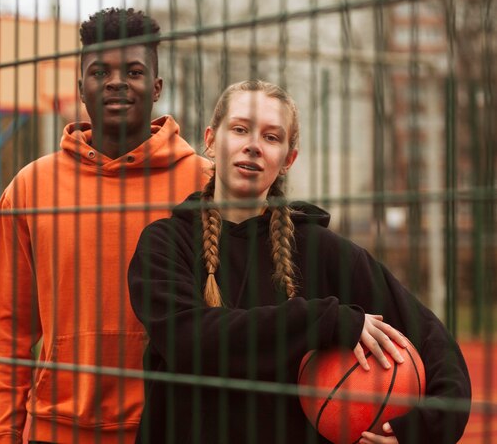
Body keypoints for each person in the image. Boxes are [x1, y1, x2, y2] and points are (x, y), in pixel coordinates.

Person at [128, 80, 471, 443]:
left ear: (288, 159)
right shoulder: (165, 242)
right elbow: (189, 340)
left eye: (272, 137)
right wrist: (323, 320)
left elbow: (438, 349)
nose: (253, 146)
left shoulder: (322, 250)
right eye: (240, 129)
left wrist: (416, 432)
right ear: (211, 140)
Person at [0, 8, 210, 444]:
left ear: (157, 87)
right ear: (79, 87)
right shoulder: (31, 188)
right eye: (99, 70)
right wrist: (0, 435)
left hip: (173, 424)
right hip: (58, 429)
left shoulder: (204, 184)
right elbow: (4, 331)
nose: (116, 81)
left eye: (134, 71)